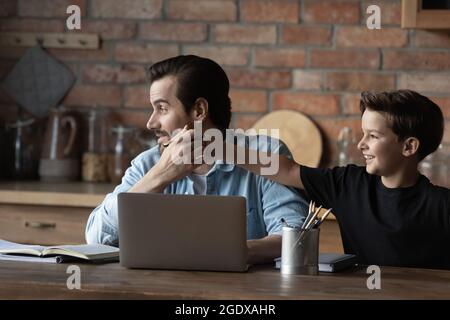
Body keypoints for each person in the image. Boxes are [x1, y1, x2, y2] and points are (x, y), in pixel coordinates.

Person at [85, 55, 309, 264]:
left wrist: (234, 251)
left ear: (199, 110)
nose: (151, 123)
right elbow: (96, 239)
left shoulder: (265, 154)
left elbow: (294, 237)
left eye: (162, 108)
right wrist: (159, 175)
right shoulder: (148, 163)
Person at [227, 89, 450, 269]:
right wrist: (218, 148)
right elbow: (288, 170)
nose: (361, 144)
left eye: (373, 136)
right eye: (363, 134)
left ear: (409, 146)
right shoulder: (348, 184)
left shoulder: (442, 206)